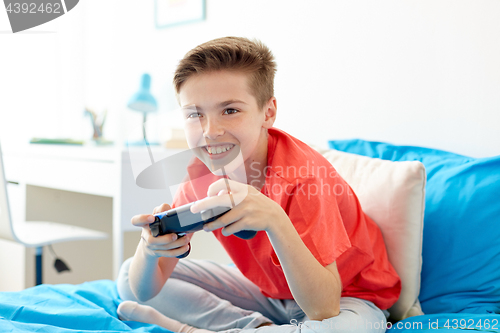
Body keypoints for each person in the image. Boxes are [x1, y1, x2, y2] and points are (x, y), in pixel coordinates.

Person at [116, 37, 401, 333]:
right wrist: (150, 250)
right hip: (270, 294)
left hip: (347, 296)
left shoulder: (304, 177)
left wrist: (276, 220)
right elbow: (144, 291)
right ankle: (255, 326)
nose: (210, 131)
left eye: (230, 110)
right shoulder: (201, 171)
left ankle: (193, 329)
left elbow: (324, 309)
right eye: (195, 114)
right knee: (129, 274)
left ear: (268, 112)